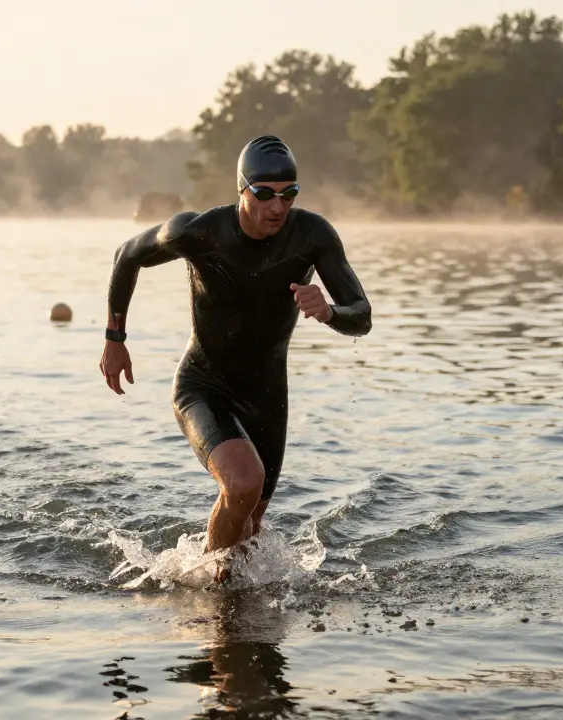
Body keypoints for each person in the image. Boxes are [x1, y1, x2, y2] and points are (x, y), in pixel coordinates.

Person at [98, 135, 372, 583]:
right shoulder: (200, 231)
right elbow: (126, 255)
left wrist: (329, 312)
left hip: (266, 395)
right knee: (243, 484)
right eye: (264, 194)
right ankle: (211, 594)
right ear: (242, 190)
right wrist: (115, 338)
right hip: (204, 385)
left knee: (252, 524)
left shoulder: (312, 235)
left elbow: (361, 316)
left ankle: (230, 604)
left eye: (289, 194)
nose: (277, 207)